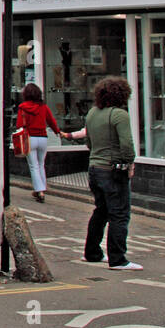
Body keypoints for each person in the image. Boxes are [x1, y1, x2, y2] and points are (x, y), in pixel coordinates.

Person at [61, 76, 140, 271]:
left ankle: (92, 252)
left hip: (94, 168)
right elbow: (127, 144)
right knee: (119, 214)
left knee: (101, 211)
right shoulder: (119, 115)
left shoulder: (92, 114)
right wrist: (129, 162)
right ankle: (118, 259)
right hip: (112, 169)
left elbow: (89, 142)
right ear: (122, 94)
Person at [15, 83, 60, 202]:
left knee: (33, 166)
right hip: (43, 138)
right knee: (41, 164)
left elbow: (19, 124)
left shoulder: (22, 107)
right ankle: (41, 188)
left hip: (30, 138)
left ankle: (39, 191)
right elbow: (51, 121)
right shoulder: (43, 107)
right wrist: (58, 132)